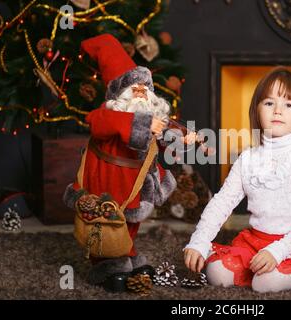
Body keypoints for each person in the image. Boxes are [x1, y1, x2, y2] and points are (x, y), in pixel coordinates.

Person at [184, 67, 291, 292]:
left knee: (265, 283)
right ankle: (259, 268)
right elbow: (221, 203)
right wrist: (199, 241)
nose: (277, 111)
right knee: (217, 272)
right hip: (255, 242)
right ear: (256, 111)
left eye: (288, 105)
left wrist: (277, 252)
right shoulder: (248, 158)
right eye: (269, 103)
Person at [63, 34, 195, 289]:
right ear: (119, 94)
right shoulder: (109, 115)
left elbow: (163, 130)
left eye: (145, 88)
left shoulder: (149, 115)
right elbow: (99, 122)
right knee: (108, 219)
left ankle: (128, 251)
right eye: (135, 89)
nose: (141, 93)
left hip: (136, 180)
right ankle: (105, 262)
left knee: (131, 220)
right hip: (109, 182)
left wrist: (184, 137)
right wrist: (142, 124)